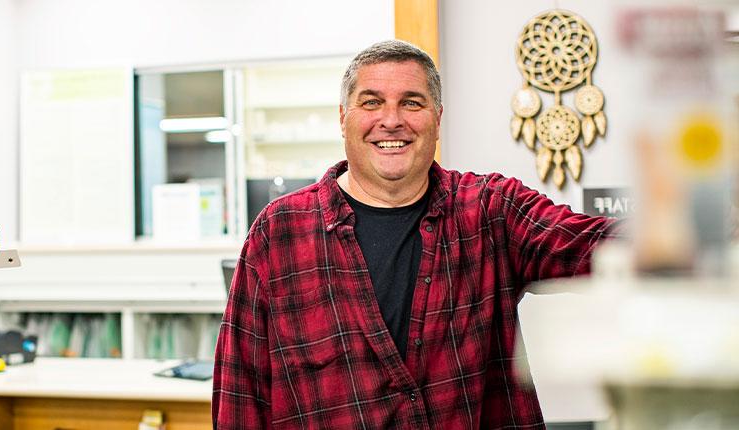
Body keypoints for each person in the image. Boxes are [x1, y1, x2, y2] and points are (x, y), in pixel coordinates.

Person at [212, 40, 620, 429]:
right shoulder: (278, 232)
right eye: (372, 102)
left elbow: (590, 246)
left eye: (412, 102)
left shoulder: (490, 209)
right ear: (343, 118)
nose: (391, 120)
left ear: (437, 119)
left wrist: (673, 223)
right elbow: (240, 393)